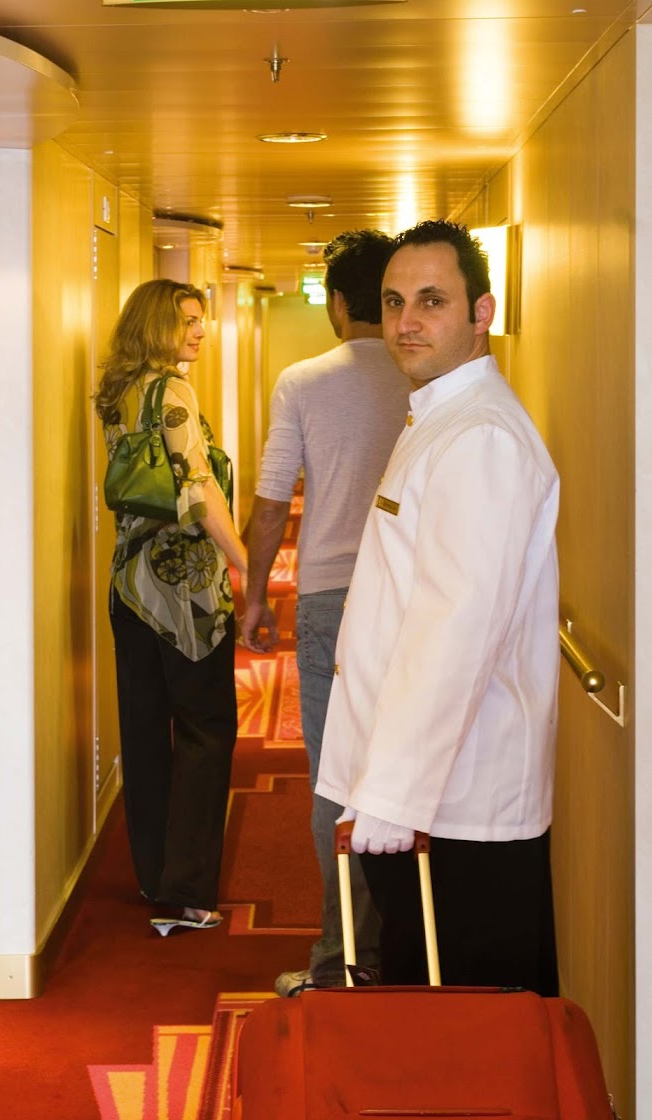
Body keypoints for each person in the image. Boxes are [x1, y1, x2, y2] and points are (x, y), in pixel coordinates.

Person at [315, 220, 560, 995]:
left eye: (431, 301)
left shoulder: (480, 437)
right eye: (393, 303)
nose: (406, 323)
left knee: (463, 1034)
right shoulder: (439, 417)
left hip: (454, 807)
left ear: (481, 312)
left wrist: (392, 797)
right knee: (427, 1020)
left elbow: (454, 633)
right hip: (428, 798)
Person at [241, 230, 411, 994]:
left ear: (340, 303)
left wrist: (252, 597)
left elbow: (273, 501)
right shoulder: (427, 376)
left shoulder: (303, 381)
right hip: (414, 597)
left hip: (331, 601)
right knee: (412, 767)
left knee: (335, 781)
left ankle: (344, 960)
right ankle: (413, 947)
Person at [95, 279, 247, 936]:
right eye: (188, 320)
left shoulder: (116, 393)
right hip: (183, 594)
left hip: (130, 586)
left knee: (145, 731)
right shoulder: (172, 391)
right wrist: (247, 564)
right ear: (157, 323)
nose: (200, 332)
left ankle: (156, 876)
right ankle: (188, 891)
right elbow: (198, 488)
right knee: (207, 730)